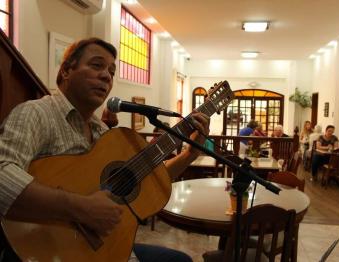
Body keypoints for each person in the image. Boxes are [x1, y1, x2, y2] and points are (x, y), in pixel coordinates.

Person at [0, 38, 210, 261]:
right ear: (66, 71)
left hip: (101, 250)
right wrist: (81, 207)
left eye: (111, 71)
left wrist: (190, 154)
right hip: (46, 251)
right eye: (96, 65)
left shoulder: (101, 130)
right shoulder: (36, 113)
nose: (106, 76)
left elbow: (148, 177)